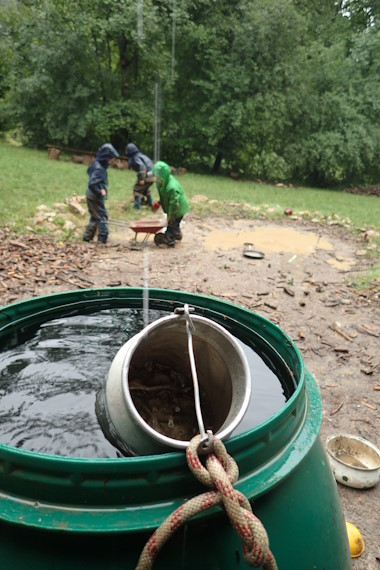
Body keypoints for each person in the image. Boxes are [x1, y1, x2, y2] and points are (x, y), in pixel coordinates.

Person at [82, 143, 119, 244]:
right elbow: (92, 184)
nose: (112, 161)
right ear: (106, 157)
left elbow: (89, 172)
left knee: (95, 216)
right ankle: (102, 238)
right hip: (95, 197)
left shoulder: (96, 164)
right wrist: (100, 191)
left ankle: (87, 237)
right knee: (102, 216)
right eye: (111, 159)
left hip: (92, 196)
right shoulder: (99, 169)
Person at [152, 160, 190, 247]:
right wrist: (158, 203)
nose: (156, 179)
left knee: (172, 224)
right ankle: (177, 234)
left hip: (178, 208)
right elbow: (165, 196)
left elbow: (175, 203)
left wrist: (172, 214)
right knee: (174, 224)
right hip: (173, 207)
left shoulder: (171, 187)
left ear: (162, 176)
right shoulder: (163, 183)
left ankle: (169, 240)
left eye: (157, 177)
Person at [126, 143, 155, 209]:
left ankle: (137, 206)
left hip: (147, 175)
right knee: (145, 188)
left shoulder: (136, 157)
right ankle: (151, 203)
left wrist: (142, 178)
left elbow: (142, 167)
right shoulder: (141, 155)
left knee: (137, 188)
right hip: (153, 174)